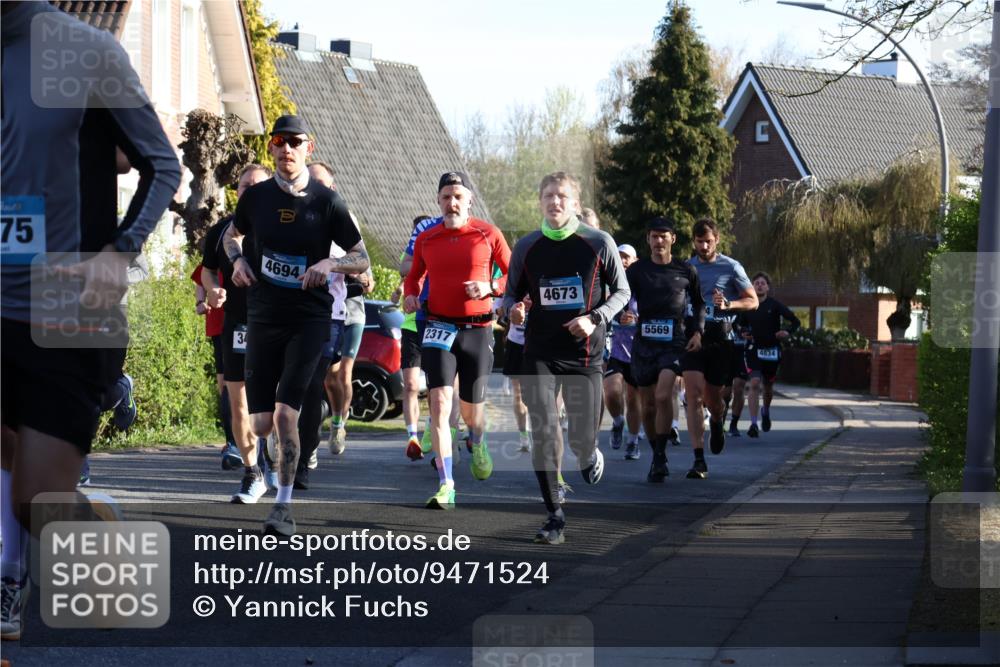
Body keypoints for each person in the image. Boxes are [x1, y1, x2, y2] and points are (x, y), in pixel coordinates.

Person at [1, 0, 181, 640]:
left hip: (67, 310)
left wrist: (120, 251)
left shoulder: (82, 49)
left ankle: (119, 570)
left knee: (36, 501)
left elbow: (163, 165)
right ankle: (8, 579)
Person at [224, 115, 368, 536]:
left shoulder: (327, 202)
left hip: (309, 317)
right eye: (279, 142)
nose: (286, 149)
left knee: (287, 415)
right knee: (260, 424)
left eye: (295, 142)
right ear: (271, 148)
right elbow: (231, 237)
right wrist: (237, 261)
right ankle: (277, 455)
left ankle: (283, 508)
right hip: (264, 315)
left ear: (310, 146)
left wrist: (330, 261)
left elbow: (361, 258)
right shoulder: (257, 198)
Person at [502, 172, 630, 544]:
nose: (554, 202)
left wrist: (593, 319)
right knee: (543, 428)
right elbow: (510, 296)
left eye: (562, 196)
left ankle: (589, 454)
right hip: (540, 349)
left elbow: (622, 292)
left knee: (579, 438)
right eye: (548, 196)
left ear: (575, 203)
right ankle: (554, 514)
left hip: (584, 353)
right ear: (540, 202)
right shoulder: (527, 246)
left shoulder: (598, 242)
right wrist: (512, 311)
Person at [403, 171, 511, 509]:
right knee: (438, 403)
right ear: (438, 201)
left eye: (458, 196)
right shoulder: (428, 237)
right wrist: (411, 295)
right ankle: (446, 484)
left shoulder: (488, 234)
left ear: (469, 200)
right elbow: (414, 275)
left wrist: (490, 288)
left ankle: (477, 440)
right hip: (438, 325)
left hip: (477, 327)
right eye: (446, 196)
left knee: (471, 412)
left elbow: (513, 275)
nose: (452, 202)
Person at [202, 164, 273, 502]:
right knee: (238, 400)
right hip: (237, 323)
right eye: (244, 186)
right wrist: (213, 290)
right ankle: (252, 472)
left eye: (257, 185)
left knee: (277, 402)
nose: (249, 191)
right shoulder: (220, 231)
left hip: (278, 321)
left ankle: (272, 452)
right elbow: (208, 272)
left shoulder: (283, 228)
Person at [626, 219, 705, 482]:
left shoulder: (686, 270)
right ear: (647, 240)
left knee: (663, 395)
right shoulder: (636, 271)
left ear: (673, 239)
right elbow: (623, 298)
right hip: (644, 343)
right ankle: (657, 455)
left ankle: (659, 455)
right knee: (647, 406)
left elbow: (699, 304)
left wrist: (697, 332)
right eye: (654, 236)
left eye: (663, 236)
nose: (659, 241)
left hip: (674, 341)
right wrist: (625, 313)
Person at [682, 219, 758, 480]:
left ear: (717, 240)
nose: (704, 246)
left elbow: (753, 301)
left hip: (720, 339)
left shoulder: (731, 267)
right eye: (699, 242)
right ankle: (698, 459)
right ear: (694, 241)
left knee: (712, 399)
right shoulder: (687, 268)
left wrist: (729, 304)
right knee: (692, 393)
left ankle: (717, 419)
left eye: (709, 241)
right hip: (693, 337)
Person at [738, 272, 800, 437]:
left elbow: (795, 321)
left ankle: (765, 411)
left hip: (772, 349)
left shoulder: (775, 305)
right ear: (752, 286)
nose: (759, 285)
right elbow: (738, 324)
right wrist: (743, 332)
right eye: (756, 283)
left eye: (762, 283)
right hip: (753, 348)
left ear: (768, 287)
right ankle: (753, 424)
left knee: (768, 386)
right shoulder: (748, 305)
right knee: (755, 383)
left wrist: (786, 331)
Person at [603, 244, 643, 459]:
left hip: (637, 351)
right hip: (614, 350)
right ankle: (618, 422)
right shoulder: (608, 283)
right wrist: (618, 318)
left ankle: (633, 440)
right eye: (619, 257)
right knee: (611, 390)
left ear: (635, 261)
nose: (623, 261)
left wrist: (637, 319)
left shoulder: (643, 285)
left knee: (634, 398)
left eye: (627, 257)